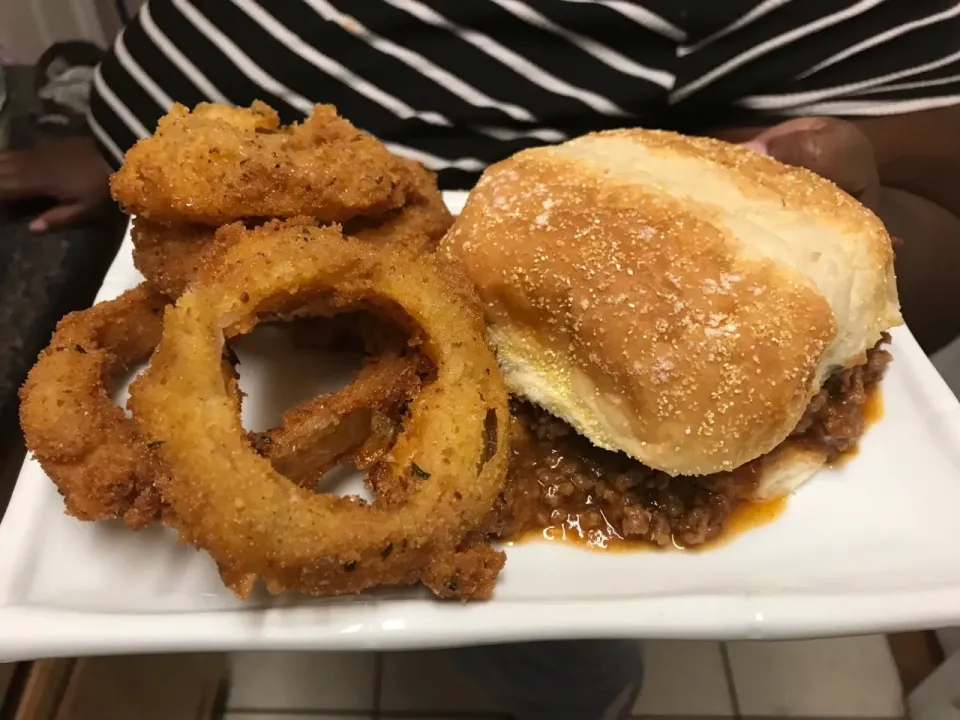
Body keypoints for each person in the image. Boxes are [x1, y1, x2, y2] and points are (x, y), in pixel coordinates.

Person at [7, 2, 960, 717]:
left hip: (468, 244)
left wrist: (856, 188)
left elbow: (929, 176)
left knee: (552, 665)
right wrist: (106, 137)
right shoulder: (384, 247)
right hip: (216, 187)